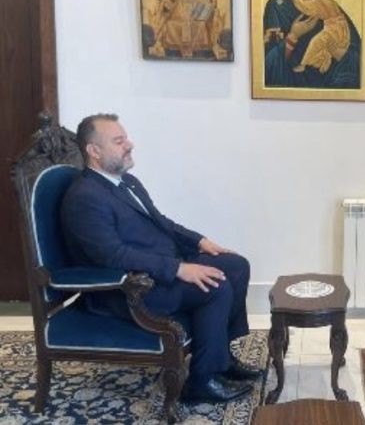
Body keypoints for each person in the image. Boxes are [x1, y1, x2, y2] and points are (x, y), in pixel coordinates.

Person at [61, 114, 262, 403]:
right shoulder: (85, 197)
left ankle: (221, 358)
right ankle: (201, 383)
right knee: (215, 285)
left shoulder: (126, 182)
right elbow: (112, 255)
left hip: (157, 267)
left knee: (236, 266)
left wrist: (200, 241)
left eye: (125, 138)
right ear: (94, 151)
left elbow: (161, 221)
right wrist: (178, 268)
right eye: (119, 141)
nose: (130, 145)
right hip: (128, 288)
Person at [263, 0, 361, 89]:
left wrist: (334, 49)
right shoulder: (277, 5)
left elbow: (357, 58)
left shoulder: (328, 5)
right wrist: (293, 36)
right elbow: (267, 64)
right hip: (291, 85)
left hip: (328, 85)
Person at [149, 0, 226, 59]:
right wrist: (170, 2)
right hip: (176, 21)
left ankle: (198, 51)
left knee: (202, 26)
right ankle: (174, 50)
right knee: (169, 25)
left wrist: (198, 13)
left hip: (195, 21)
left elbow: (207, 9)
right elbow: (164, 10)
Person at [282, 0, 350, 73]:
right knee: (323, 46)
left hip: (335, 29)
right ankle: (324, 60)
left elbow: (308, 7)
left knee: (316, 42)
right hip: (339, 29)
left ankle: (304, 64)